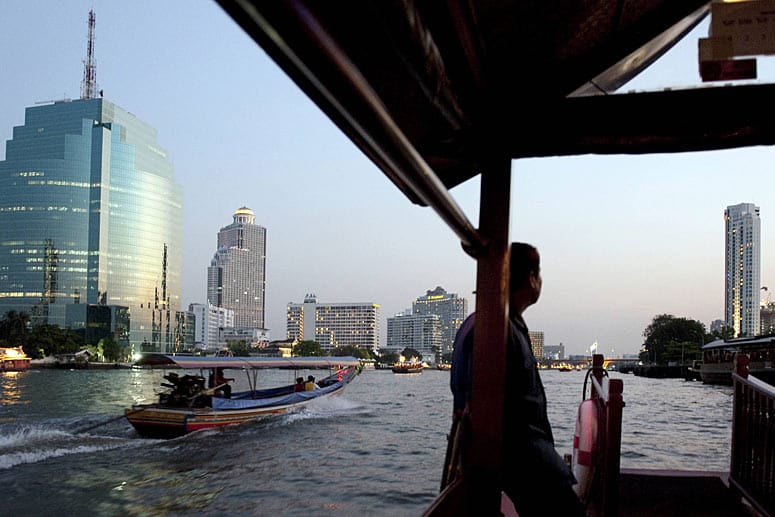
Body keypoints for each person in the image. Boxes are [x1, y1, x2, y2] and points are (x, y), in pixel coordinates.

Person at [450, 242, 584, 516]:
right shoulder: (496, 326)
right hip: (517, 454)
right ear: (532, 278)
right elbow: (489, 407)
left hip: (514, 453)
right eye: (540, 274)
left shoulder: (495, 321)